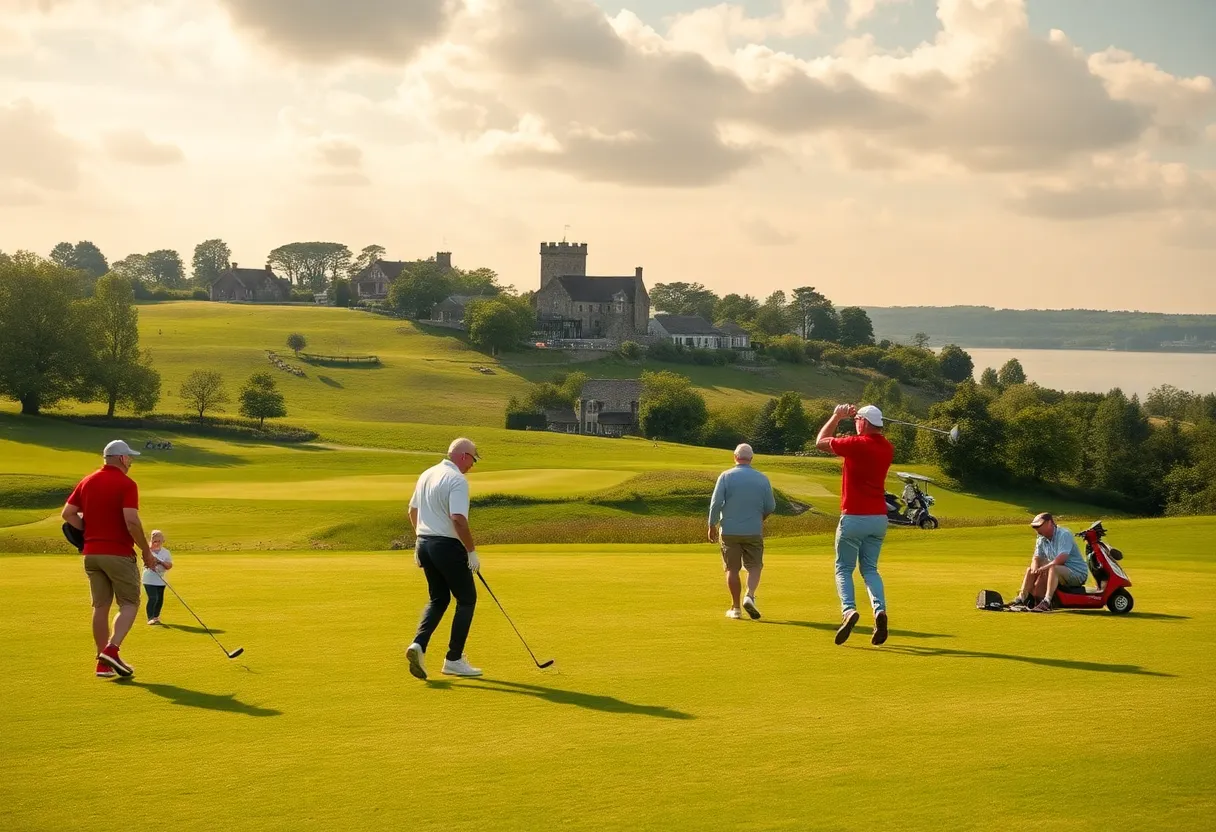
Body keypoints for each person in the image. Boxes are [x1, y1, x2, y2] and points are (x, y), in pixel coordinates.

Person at [61, 439, 157, 679]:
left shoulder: (87, 481)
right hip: (118, 553)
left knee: (100, 606)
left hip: (91, 554)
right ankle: (112, 650)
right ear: (122, 458)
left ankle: (102, 663)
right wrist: (146, 550)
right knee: (129, 603)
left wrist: (87, 532)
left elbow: (68, 514)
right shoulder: (126, 484)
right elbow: (132, 521)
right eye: (130, 458)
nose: (131, 462)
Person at [405, 437, 483, 680]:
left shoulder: (427, 474)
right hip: (446, 546)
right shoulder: (457, 480)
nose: (473, 464)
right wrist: (471, 551)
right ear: (462, 456)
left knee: (439, 599)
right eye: (473, 459)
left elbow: (412, 511)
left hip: (425, 543)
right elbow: (458, 518)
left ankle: (418, 645)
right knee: (467, 599)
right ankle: (454, 659)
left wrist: (420, 540)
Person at [816, 404, 895, 646]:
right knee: (870, 569)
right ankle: (879, 610)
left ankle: (849, 611)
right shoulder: (887, 447)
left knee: (843, 568)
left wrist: (837, 416)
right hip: (879, 519)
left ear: (864, 422)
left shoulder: (857, 444)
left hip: (854, 517)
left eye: (858, 421)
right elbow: (867, 434)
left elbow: (820, 442)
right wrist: (856, 416)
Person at [707, 443, 776, 620]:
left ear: (735, 457)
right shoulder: (762, 479)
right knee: (754, 566)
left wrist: (711, 525)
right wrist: (760, 519)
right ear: (751, 459)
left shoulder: (725, 476)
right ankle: (750, 595)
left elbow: (716, 504)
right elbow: (771, 506)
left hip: (729, 531)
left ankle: (736, 608)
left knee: (732, 569)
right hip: (753, 531)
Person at [1011, 513, 1089, 612]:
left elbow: (1061, 559)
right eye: (1035, 527)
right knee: (1030, 569)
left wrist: (1044, 568)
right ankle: (1021, 599)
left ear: (1049, 523)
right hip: (1058, 571)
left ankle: (1047, 601)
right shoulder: (1041, 538)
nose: (1036, 529)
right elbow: (1037, 558)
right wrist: (1035, 568)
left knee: (1054, 568)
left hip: (1077, 573)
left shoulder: (1064, 534)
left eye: (1039, 526)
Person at [142, 529, 173, 625]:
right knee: (153, 598)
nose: (157, 543)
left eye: (159, 541)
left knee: (159, 599)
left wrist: (160, 562)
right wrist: (152, 564)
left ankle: (156, 617)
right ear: (152, 540)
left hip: (161, 579)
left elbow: (169, 566)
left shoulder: (166, 552)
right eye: (155, 541)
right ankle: (150, 617)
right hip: (149, 579)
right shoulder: (147, 551)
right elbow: (147, 563)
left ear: (162, 541)